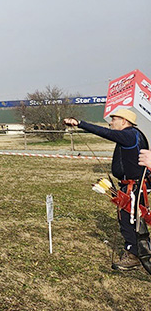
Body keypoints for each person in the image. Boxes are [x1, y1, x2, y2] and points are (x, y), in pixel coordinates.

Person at [64, 109, 149, 270]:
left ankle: (133, 256)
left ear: (124, 121)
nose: (110, 122)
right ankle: (143, 252)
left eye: (114, 119)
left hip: (133, 187)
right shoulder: (133, 135)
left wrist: (80, 124)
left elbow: (105, 133)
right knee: (135, 219)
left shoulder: (129, 134)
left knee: (129, 220)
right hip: (132, 185)